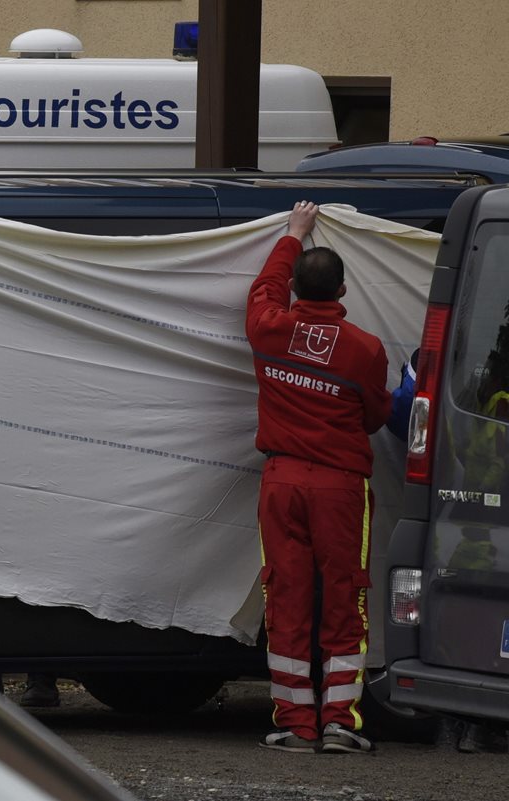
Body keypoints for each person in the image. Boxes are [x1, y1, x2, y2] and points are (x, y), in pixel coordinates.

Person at [246, 201, 391, 754]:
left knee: (284, 598)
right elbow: (376, 416)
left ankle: (294, 724)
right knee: (344, 599)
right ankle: (339, 723)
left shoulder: (268, 327)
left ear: (296, 293)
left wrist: (291, 235)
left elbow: (262, 288)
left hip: (280, 484)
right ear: (344, 292)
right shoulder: (365, 349)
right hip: (340, 487)